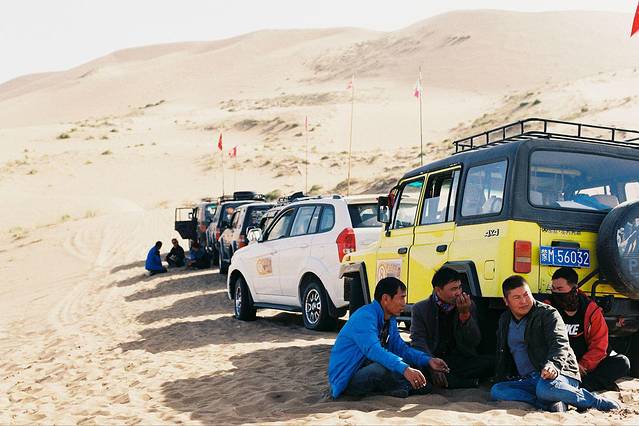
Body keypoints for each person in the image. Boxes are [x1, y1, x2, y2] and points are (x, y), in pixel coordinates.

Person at [491, 275, 620, 412]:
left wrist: (553, 365)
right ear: (506, 301)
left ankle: (595, 401)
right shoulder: (505, 319)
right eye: (517, 297)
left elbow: (560, 342)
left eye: (526, 295)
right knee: (497, 390)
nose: (524, 301)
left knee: (545, 388)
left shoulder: (548, 313)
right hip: (530, 379)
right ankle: (547, 403)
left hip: (560, 373)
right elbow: (502, 353)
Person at [328, 277, 449, 399]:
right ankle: (403, 388)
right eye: (401, 297)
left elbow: (401, 349)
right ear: (385, 299)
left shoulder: (390, 319)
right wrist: (405, 370)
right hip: (347, 378)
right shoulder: (365, 317)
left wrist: (428, 360)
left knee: (408, 362)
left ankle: (403, 387)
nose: (404, 303)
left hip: (366, 365)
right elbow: (374, 350)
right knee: (381, 369)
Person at [549, 267, 630, 391]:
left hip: (585, 364)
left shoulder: (591, 310)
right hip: (559, 361)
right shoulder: (548, 308)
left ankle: (581, 385)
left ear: (574, 289)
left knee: (622, 362)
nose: (556, 292)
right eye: (553, 288)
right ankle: (588, 384)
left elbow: (600, 345)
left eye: (560, 289)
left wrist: (583, 365)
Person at [410, 267, 494, 388]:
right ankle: (463, 382)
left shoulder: (468, 305)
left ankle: (453, 381)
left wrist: (465, 315)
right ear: (438, 290)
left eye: (459, 287)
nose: (458, 293)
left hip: (459, 359)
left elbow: (474, 341)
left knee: (491, 362)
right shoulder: (420, 309)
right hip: (434, 357)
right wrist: (430, 362)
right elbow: (418, 341)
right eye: (453, 289)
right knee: (417, 365)